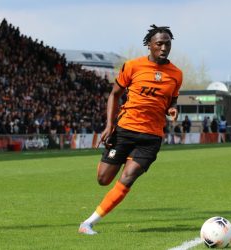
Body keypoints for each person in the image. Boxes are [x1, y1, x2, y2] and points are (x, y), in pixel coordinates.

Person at [78, 25, 182, 235]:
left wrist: (172, 109)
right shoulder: (132, 66)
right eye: (159, 44)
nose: (163, 48)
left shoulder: (176, 74)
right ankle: (123, 157)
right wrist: (109, 125)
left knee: (128, 177)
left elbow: (172, 101)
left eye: (167, 44)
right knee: (103, 179)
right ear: (150, 45)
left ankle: (88, 223)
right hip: (125, 130)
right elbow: (114, 95)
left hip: (151, 137)